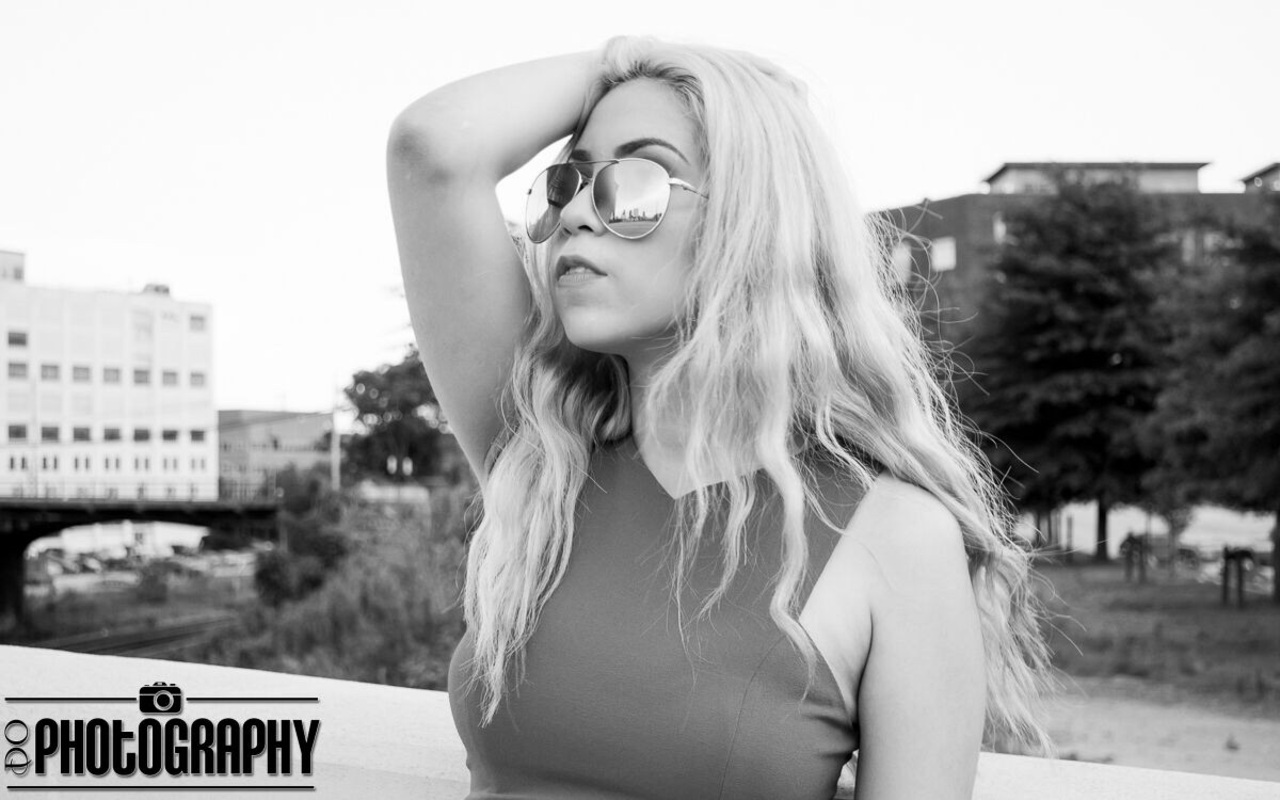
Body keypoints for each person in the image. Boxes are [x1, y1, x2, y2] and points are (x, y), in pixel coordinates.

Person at [388, 36, 1059, 800]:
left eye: (634, 183)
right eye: (569, 182)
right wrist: (631, 57)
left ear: (754, 220)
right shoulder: (541, 460)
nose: (574, 213)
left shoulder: (895, 540)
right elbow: (432, 148)